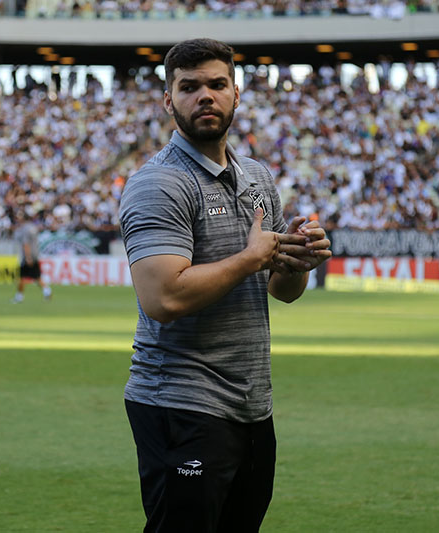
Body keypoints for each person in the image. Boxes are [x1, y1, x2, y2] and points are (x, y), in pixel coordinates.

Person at [118, 38, 332, 533]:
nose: (205, 97)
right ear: (169, 101)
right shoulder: (158, 183)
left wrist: (299, 257)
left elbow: (283, 290)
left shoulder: (258, 176)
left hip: (252, 405)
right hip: (179, 402)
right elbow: (163, 298)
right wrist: (251, 258)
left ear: (237, 93)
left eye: (216, 85)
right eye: (189, 87)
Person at [11, 212, 51, 303]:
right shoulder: (33, 228)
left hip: (27, 256)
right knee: (37, 276)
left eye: (18, 218)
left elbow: (26, 244)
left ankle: (19, 297)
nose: (17, 220)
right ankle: (47, 291)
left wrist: (28, 257)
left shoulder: (24, 229)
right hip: (35, 255)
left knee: (21, 277)